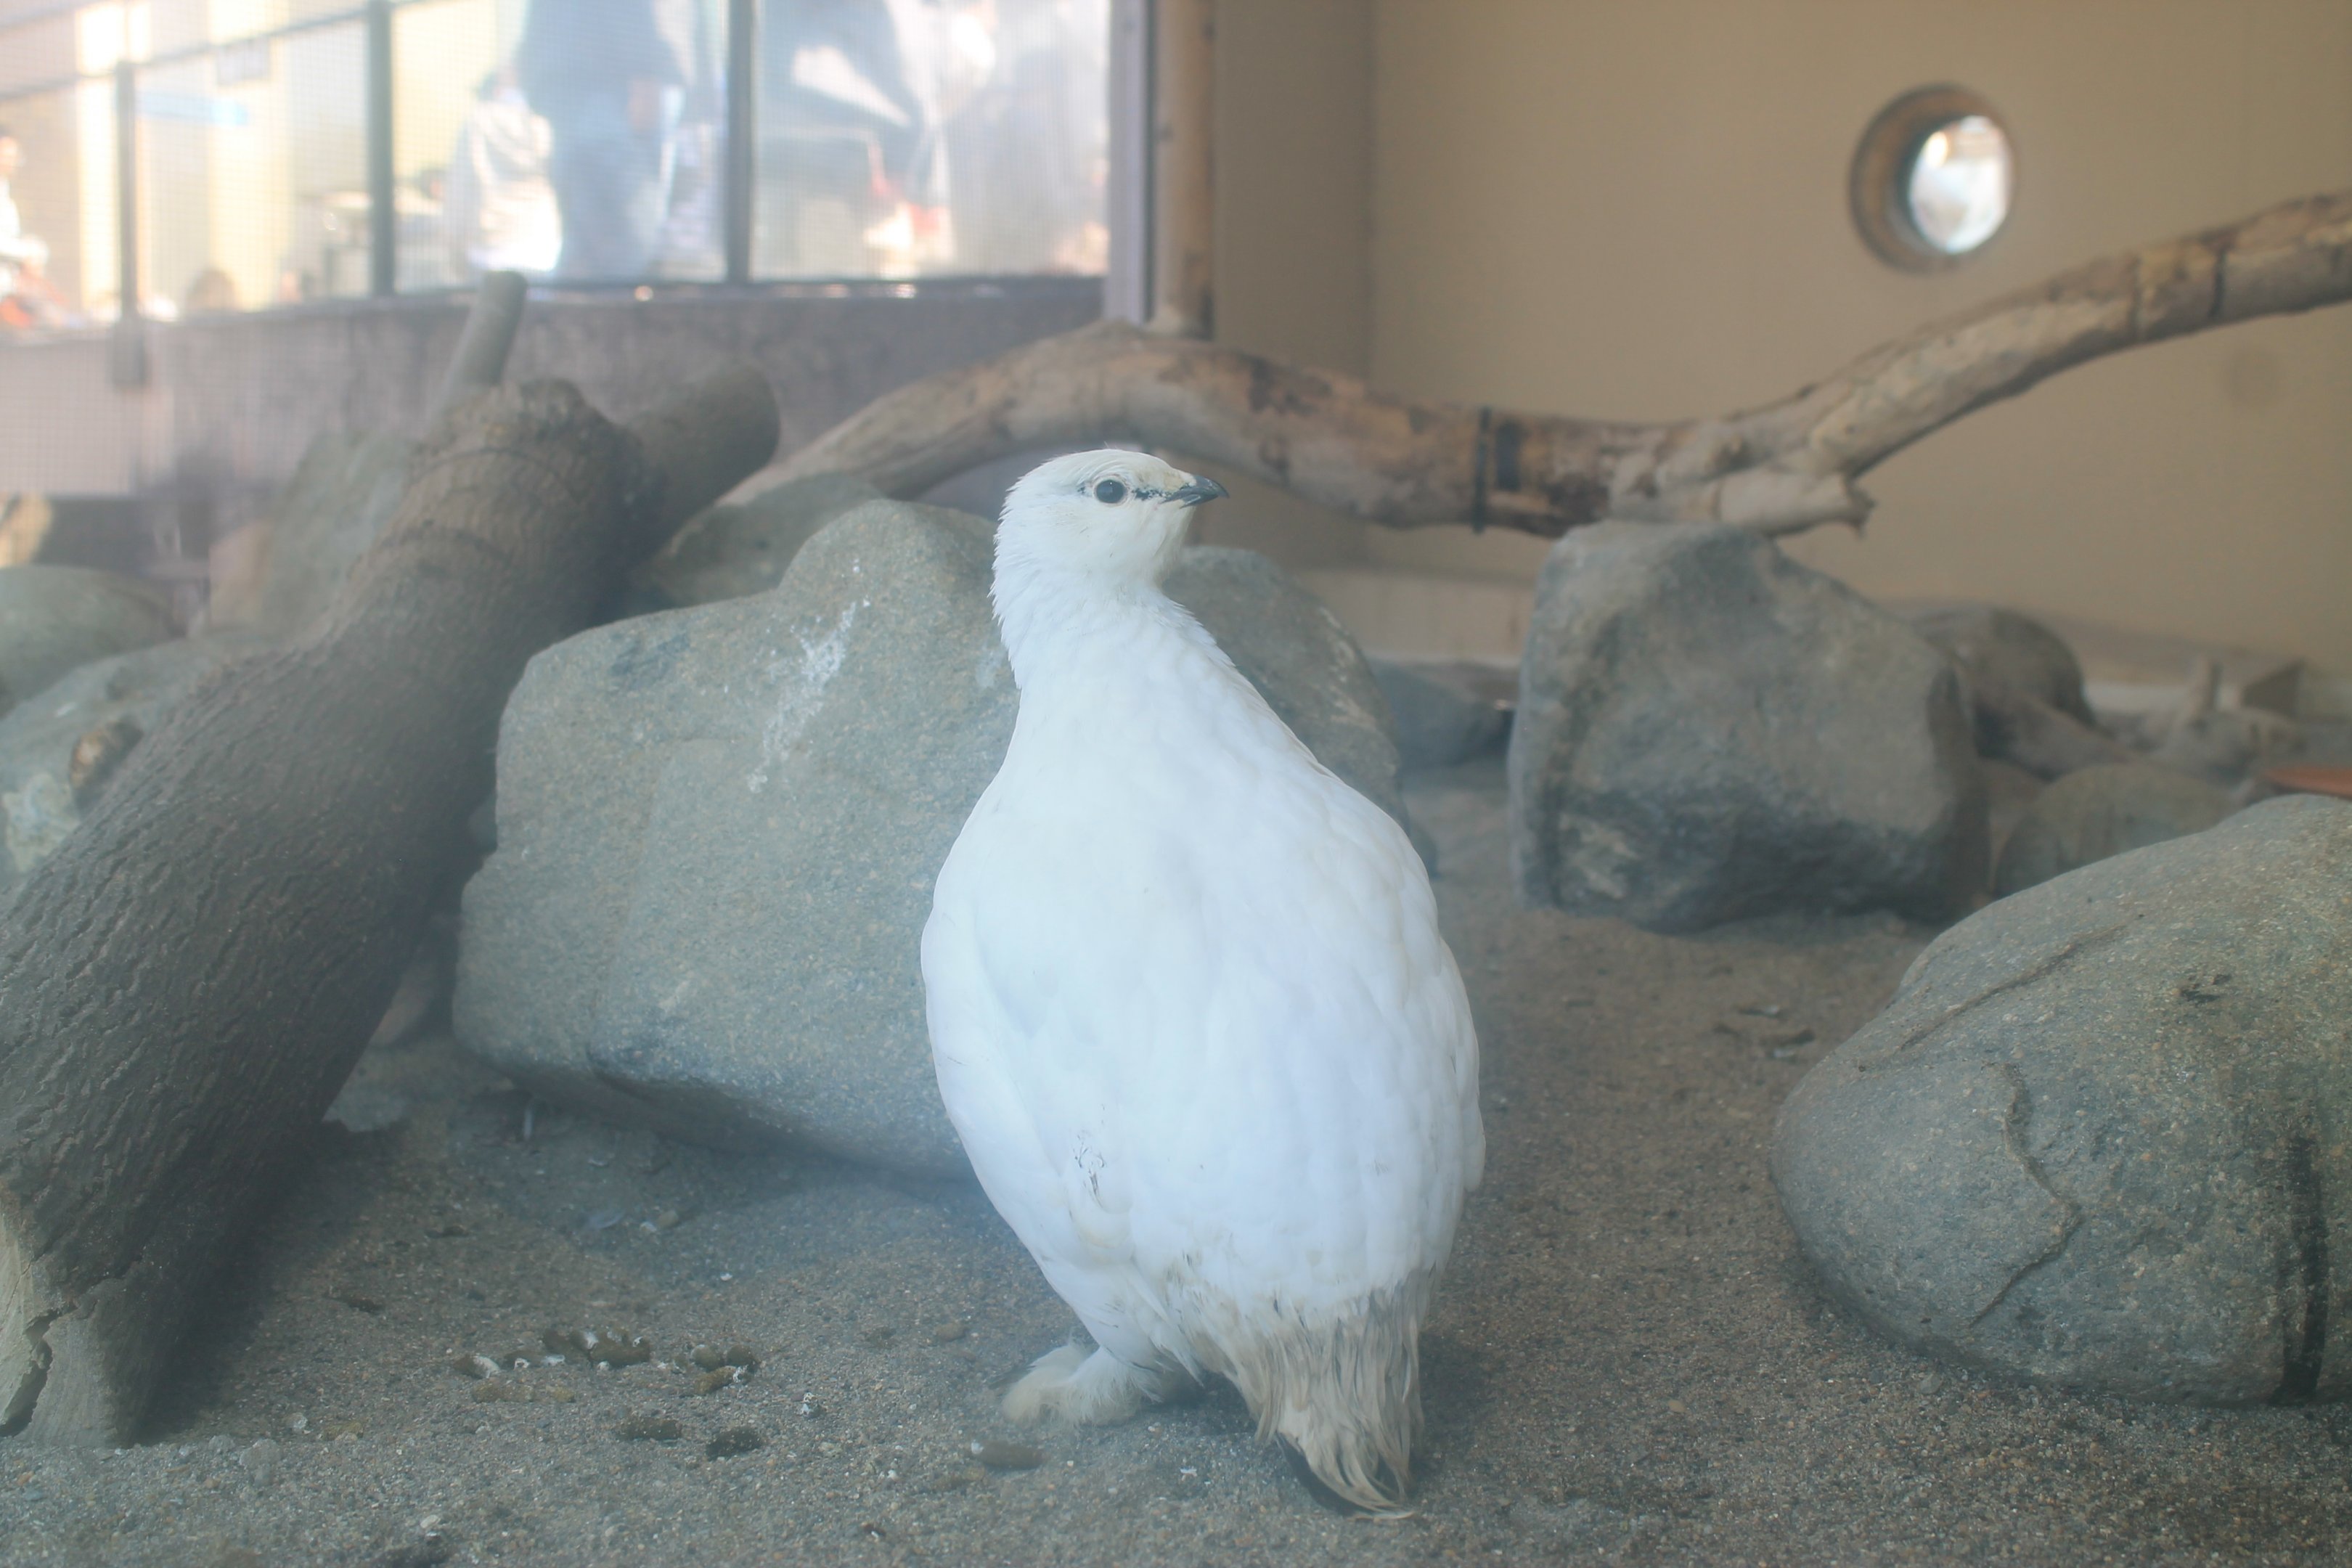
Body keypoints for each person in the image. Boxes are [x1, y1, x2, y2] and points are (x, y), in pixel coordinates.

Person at [513, 0, 711, 280]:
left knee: (613, 227)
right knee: (617, 228)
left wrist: (646, 77)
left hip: (606, 84)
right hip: (591, 85)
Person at [0, 126, 68, 331]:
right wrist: (25, 253)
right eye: (6, 154)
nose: (11, 161)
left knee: (53, 315)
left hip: (12, 291)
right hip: (6, 293)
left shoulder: (8, 202)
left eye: (14, 155)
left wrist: (31, 252)